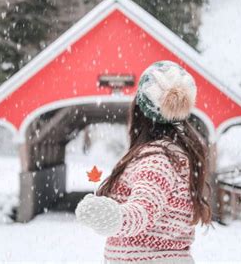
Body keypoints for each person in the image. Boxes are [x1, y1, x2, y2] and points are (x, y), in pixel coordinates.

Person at [75, 60, 212, 264]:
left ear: (139, 111)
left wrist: (113, 217)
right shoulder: (169, 156)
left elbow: (142, 211)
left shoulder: (157, 160)